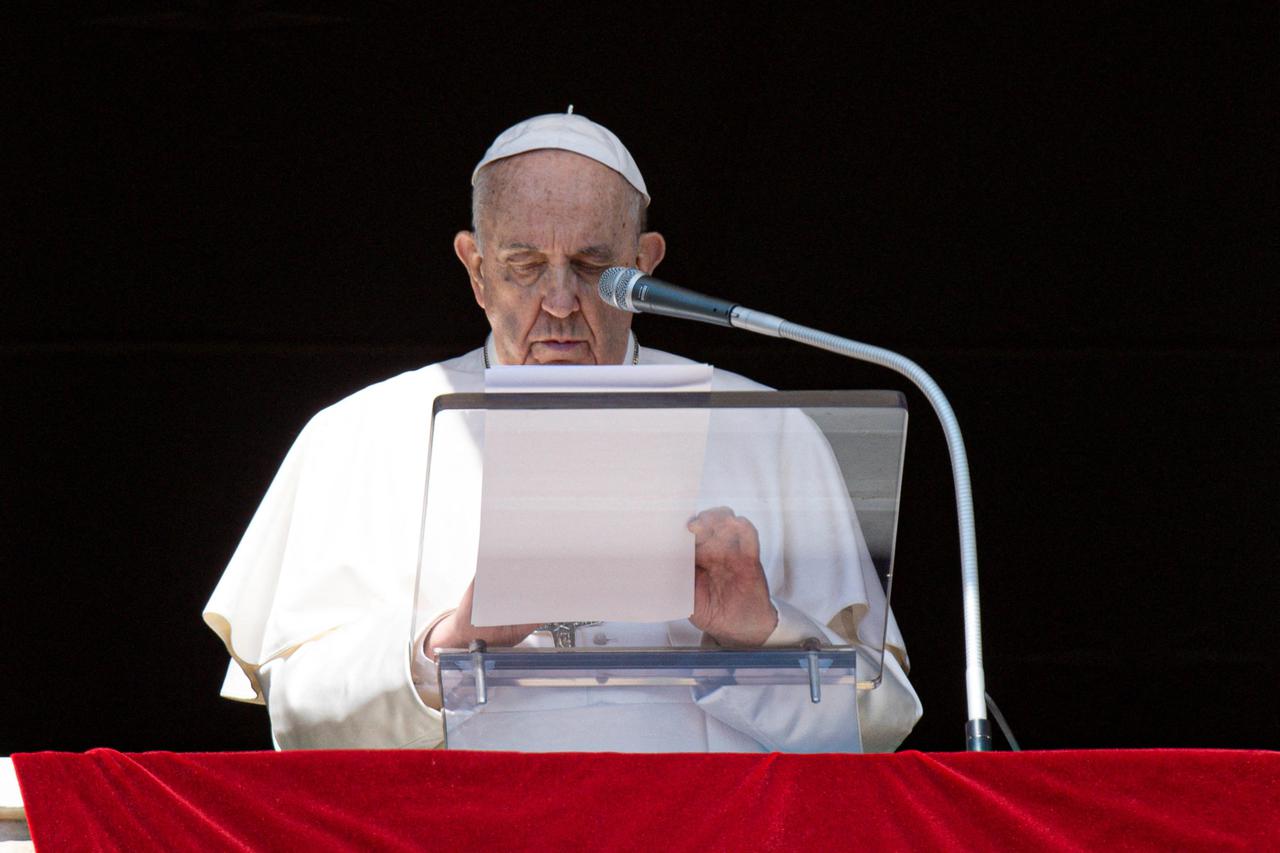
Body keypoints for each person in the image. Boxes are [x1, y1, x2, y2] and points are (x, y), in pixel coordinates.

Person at [204, 112, 922, 752]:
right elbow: (295, 720)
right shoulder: (360, 436)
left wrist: (765, 632)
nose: (557, 301)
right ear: (476, 270)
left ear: (645, 264)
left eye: (590, 266)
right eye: (522, 267)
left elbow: (882, 720)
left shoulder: (771, 431)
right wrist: (445, 646)